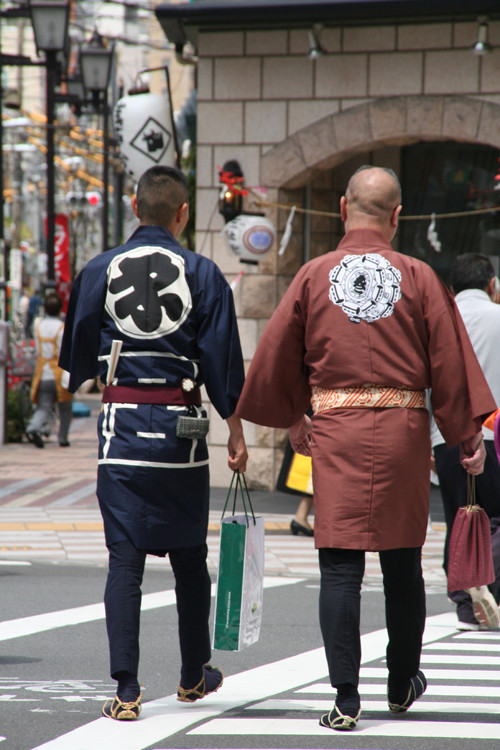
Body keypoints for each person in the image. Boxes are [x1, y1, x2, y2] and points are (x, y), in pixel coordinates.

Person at [236, 166, 495, 731]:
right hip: (402, 433)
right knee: (402, 567)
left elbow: (278, 356)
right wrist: (466, 436)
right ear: (398, 216)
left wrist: (294, 416)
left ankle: (346, 698)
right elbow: (450, 365)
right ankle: (401, 683)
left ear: (341, 206)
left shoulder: (313, 274)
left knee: (340, 568)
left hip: (337, 431)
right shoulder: (420, 276)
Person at [59, 165, 248, 721]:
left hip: (121, 436)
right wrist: (235, 432)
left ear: (134, 207)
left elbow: (76, 362)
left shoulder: (98, 269)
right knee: (191, 559)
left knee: (125, 561)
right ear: (183, 214)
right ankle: (193, 675)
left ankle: (126, 689)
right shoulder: (203, 272)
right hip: (180, 436)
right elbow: (222, 364)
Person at [432, 254, 500, 630]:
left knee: (460, 515)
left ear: (452, 289)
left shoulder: (438, 320)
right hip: (496, 436)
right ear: (492, 284)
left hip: (445, 437)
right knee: (495, 517)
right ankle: (491, 591)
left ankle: (463, 600)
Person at [26, 291, 72, 448]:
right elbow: (65, 350)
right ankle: (63, 438)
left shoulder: (37, 326)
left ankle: (34, 427)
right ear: (60, 309)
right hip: (59, 371)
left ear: (44, 308)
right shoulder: (62, 328)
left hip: (42, 372)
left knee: (44, 406)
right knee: (65, 407)